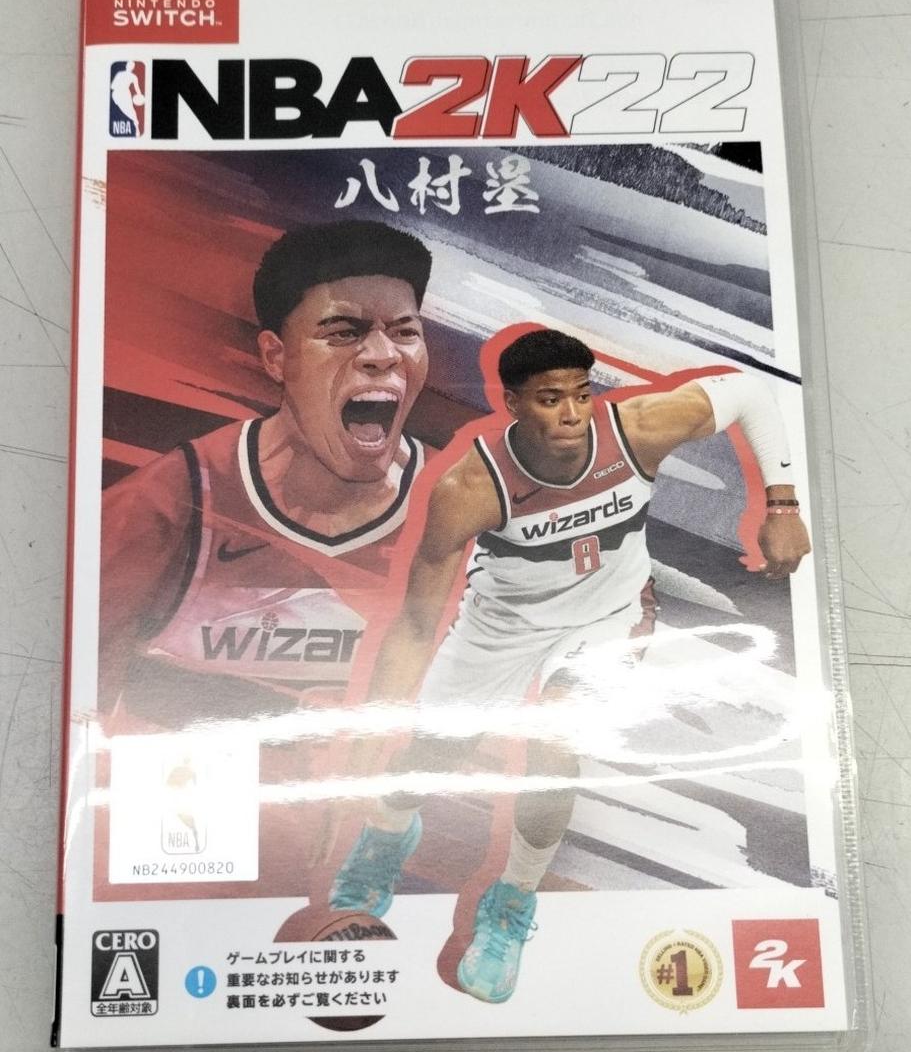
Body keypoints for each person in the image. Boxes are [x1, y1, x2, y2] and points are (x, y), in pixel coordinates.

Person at [328, 328, 811, 1003]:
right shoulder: (471, 486)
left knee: (555, 742)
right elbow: (414, 622)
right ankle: (387, 834)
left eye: (581, 395)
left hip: (605, 619)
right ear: (512, 403)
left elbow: (750, 392)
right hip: (500, 629)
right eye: (550, 400)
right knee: (434, 753)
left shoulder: (636, 430)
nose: (571, 415)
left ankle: (511, 903)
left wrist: (782, 504)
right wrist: (373, 724)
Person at [100, 219, 432, 720]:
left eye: (405, 332)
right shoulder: (175, 499)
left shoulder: (463, 502)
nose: (384, 355)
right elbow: (67, 695)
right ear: (276, 357)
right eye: (344, 332)